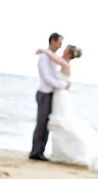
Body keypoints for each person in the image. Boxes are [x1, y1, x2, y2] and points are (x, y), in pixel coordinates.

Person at [35, 45, 98, 170]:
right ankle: (58, 153)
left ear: (69, 53)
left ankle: (71, 152)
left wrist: (43, 50)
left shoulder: (65, 64)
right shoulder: (64, 63)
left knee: (64, 123)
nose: (62, 51)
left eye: (65, 50)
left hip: (60, 95)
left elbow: (53, 58)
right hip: (58, 95)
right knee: (60, 123)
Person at [29, 33, 70, 161]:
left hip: (51, 94)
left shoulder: (51, 57)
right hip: (44, 93)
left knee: (47, 124)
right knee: (41, 124)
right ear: (53, 40)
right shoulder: (43, 58)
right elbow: (47, 78)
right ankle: (35, 152)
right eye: (59, 43)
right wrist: (62, 85)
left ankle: (41, 151)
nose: (60, 45)